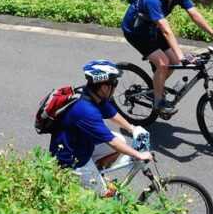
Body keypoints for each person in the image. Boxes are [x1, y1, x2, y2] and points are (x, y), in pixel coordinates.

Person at [121, 0, 213, 117]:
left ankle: (154, 88)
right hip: (136, 31)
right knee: (163, 63)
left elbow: (194, 14)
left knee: (173, 62)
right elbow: (166, 30)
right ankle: (158, 102)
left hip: (153, 27)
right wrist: (181, 55)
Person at [50, 60, 151, 196]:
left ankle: (97, 172)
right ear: (104, 87)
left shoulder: (90, 94)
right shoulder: (85, 111)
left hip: (79, 145)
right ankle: (95, 189)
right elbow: (112, 142)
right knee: (105, 196)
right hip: (72, 160)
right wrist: (138, 154)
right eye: (114, 83)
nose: (115, 87)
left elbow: (111, 113)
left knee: (121, 139)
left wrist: (132, 129)